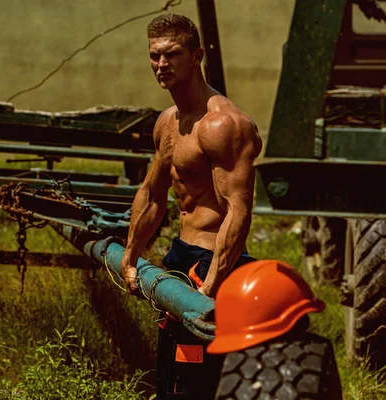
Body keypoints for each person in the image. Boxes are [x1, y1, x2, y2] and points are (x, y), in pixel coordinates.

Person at [121, 13, 263, 399]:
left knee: (198, 379)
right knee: (171, 373)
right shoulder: (168, 122)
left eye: (172, 54)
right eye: (154, 56)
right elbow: (152, 194)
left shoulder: (223, 126)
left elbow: (239, 211)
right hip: (180, 258)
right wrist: (131, 257)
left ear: (197, 55)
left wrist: (211, 285)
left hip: (211, 263)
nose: (161, 65)